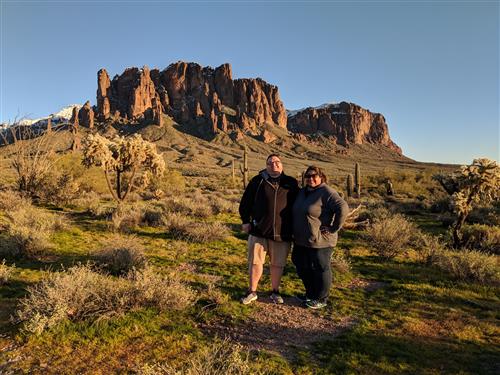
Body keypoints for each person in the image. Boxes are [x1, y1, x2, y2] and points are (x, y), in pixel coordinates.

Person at [238, 154, 299, 305]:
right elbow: (245, 202)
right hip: (259, 230)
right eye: (270, 163)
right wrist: (246, 221)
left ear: (282, 164)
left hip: (282, 231)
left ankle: (275, 291)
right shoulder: (257, 181)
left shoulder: (291, 183)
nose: (274, 164)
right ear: (266, 166)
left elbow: (299, 206)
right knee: (255, 262)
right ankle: (252, 291)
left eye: (277, 162)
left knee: (277, 264)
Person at [292, 166, 349, 309]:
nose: (311, 178)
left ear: (321, 177)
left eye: (314, 176)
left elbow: (343, 207)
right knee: (300, 264)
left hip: (321, 241)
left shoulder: (326, 192)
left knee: (321, 268)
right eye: (308, 176)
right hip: (302, 239)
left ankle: (321, 298)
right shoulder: (303, 192)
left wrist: (334, 227)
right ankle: (311, 294)